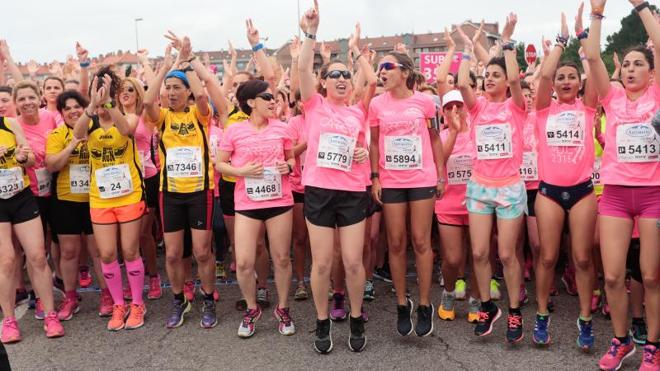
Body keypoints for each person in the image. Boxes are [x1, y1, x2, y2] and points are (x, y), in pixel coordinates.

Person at [298, 0, 376, 353]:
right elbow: (301, 69)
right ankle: (321, 319)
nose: (343, 79)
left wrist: (355, 51)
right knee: (323, 262)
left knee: (353, 261)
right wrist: (311, 33)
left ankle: (357, 317)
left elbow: (371, 80)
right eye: (336, 75)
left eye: (346, 75)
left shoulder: (359, 110)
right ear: (323, 82)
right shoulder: (314, 104)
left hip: (351, 192)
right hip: (318, 190)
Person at [585, 1, 659, 369]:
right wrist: (597, 14)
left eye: (638, 64)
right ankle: (621, 339)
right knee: (613, 274)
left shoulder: (658, 96)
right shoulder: (611, 98)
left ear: (651, 71)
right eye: (626, 65)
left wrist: (641, 5)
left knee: (650, 274)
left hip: (654, 196)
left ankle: (654, 347)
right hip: (614, 194)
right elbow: (594, 57)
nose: (630, 70)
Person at [457, 13, 528, 343]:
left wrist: (508, 43)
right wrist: (467, 50)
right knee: (480, 253)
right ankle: (487, 306)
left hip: (510, 188)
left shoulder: (516, 107)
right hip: (479, 188)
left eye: (494, 75)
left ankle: (514, 310)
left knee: (507, 255)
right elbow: (460, 84)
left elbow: (516, 80)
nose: (488, 79)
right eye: (486, 75)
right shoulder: (477, 108)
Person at [532, 11, 598, 350]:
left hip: (583, 191)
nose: (565, 80)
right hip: (550, 193)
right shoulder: (544, 109)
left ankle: (585, 319)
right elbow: (543, 75)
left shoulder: (589, 108)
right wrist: (560, 44)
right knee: (547, 256)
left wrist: (583, 37)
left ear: (580, 82)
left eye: (572, 76)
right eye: (561, 77)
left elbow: (596, 71)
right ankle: (541, 314)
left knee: (583, 258)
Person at [369, 51, 445, 337]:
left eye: (387, 66)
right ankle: (402, 303)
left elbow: (435, 138)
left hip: (422, 178)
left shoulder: (425, 102)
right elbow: (375, 144)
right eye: (379, 67)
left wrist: (440, 174)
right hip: (391, 180)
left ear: (405, 72)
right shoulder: (377, 104)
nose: (382, 71)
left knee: (421, 240)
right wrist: (375, 176)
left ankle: (425, 304)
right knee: (397, 242)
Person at [143, 38, 218, 329]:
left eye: (177, 88)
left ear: (186, 91)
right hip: (170, 193)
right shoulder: (161, 117)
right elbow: (148, 101)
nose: (172, 93)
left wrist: (186, 65)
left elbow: (202, 98)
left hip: (200, 191)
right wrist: (164, 69)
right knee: (173, 254)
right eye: (169, 89)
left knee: (201, 252)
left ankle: (208, 298)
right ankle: (179, 300)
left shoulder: (199, 115)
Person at [217, 78, 296, 338]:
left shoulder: (282, 128)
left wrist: (290, 166)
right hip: (248, 203)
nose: (273, 101)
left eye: (274, 97)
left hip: (279, 201)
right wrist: (241, 170)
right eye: (267, 97)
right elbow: (220, 163)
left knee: (282, 258)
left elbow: (291, 157)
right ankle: (252, 309)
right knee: (243, 262)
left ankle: (283, 309)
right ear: (251, 102)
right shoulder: (234, 130)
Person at [73, 70, 146, 331]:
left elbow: (127, 130)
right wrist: (92, 106)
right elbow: (77, 134)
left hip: (129, 194)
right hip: (101, 198)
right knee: (106, 253)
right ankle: (118, 304)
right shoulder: (90, 120)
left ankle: (137, 303)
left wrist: (109, 105)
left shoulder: (127, 115)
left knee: (129, 250)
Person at [46, 90, 110, 321]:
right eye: (67, 108)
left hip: (96, 199)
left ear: (85, 109)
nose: (73, 111)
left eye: (77, 106)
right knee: (70, 252)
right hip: (66, 201)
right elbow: (52, 164)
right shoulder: (56, 134)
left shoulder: (97, 129)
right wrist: (73, 143)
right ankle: (71, 297)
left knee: (99, 252)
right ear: (61, 113)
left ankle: (107, 295)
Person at [0, 114, 64, 343]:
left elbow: (28, 160)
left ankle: (50, 315)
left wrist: (22, 157)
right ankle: (9, 320)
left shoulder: (9, 123)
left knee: (37, 257)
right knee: (6, 260)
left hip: (21, 197)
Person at [434, 90, 481, 324]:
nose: (455, 111)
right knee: (452, 259)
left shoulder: (478, 132)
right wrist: (453, 131)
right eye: (449, 107)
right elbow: (439, 162)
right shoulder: (440, 136)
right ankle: (449, 293)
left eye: (459, 106)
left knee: (478, 255)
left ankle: (476, 299)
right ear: (443, 112)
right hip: (449, 204)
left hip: (478, 203)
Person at [117, 77, 162, 300]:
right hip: (122, 183)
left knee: (143, 234)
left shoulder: (145, 115)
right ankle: (132, 278)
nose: (124, 93)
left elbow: (152, 99)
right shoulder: (112, 117)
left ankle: (153, 276)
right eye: (120, 90)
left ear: (137, 94)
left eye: (130, 89)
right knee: (125, 240)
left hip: (146, 179)